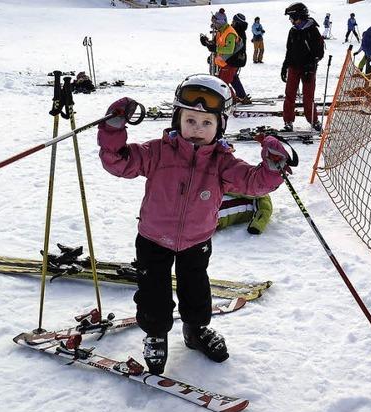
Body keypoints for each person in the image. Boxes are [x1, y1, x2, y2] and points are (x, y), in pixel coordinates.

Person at [96, 74, 291, 374]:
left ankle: (195, 330)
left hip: (196, 240)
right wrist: (113, 129)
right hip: (152, 239)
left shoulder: (223, 163)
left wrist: (273, 167)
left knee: (196, 290)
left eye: (206, 123)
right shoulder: (157, 152)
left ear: (220, 126)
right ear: (177, 119)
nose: (197, 130)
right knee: (153, 292)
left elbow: (254, 183)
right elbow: (119, 161)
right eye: (190, 120)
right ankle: (156, 334)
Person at [281, 2, 325, 132]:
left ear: (299, 16)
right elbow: (289, 50)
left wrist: (310, 66)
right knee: (289, 95)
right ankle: (288, 121)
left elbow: (319, 53)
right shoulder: (293, 31)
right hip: (293, 67)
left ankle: (313, 120)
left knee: (308, 96)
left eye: (292, 17)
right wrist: (285, 66)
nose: (290, 20)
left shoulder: (312, 31)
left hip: (308, 70)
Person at [200, 12, 244, 97]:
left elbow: (229, 49)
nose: (213, 25)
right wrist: (206, 42)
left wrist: (215, 48)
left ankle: (233, 100)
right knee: (221, 83)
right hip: (224, 62)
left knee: (223, 85)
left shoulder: (230, 33)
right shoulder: (221, 31)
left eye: (215, 23)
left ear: (220, 22)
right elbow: (216, 44)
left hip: (231, 62)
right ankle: (238, 98)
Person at [228, 13, 251, 104]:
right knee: (233, 78)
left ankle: (239, 97)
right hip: (237, 59)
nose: (232, 22)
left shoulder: (237, 31)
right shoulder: (239, 30)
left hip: (235, 59)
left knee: (229, 78)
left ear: (237, 22)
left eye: (233, 21)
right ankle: (241, 95)